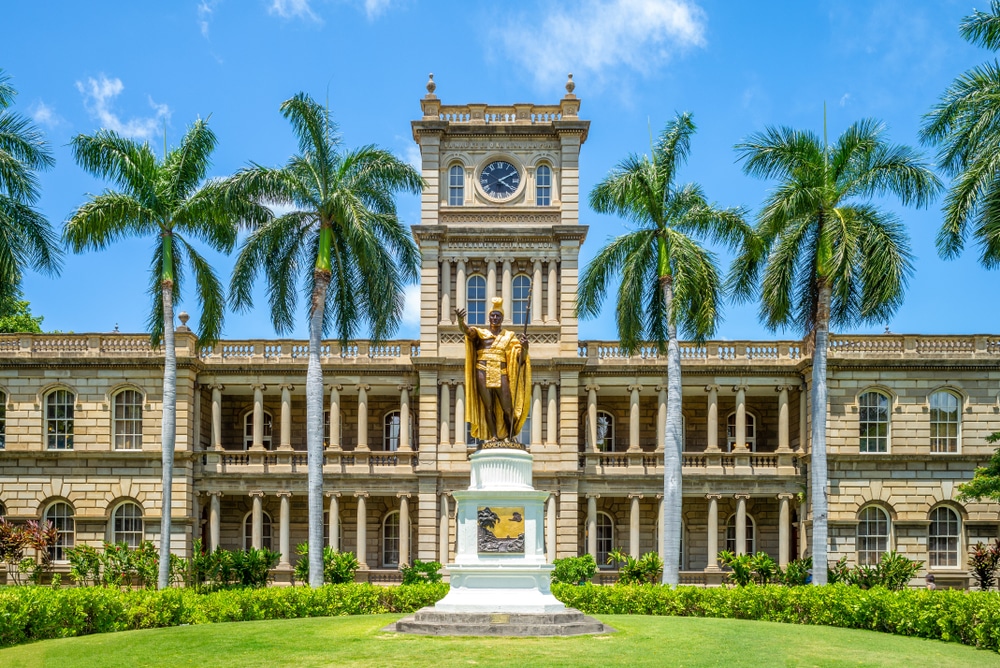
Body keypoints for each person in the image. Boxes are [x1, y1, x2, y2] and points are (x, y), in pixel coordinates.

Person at [456, 297, 531, 446]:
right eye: (492, 315)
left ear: (502, 318)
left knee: (507, 407)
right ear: (489, 317)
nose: (495, 318)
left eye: (498, 316)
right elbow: (467, 331)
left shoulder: (509, 337)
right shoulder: (481, 333)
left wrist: (525, 348)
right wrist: (460, 321)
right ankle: (494, 437)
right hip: (482, 370)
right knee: (488, 406)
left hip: (501, 371)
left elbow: (519, 360)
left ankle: (511, 435)